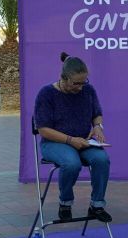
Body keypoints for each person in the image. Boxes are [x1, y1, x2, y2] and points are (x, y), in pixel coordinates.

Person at [33, 52, 112, 223]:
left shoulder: (88, 90)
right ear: (64, 78)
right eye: (77, 83)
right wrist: (70, 140)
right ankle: (65, 202)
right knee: (71, 163)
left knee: (101, 160)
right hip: (54, 143)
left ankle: (97, 205)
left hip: (83, 141)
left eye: (84, 82)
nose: (81, 87)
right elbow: (44, 130)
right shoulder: (46, 94)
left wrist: (98, 126)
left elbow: (97, 114)